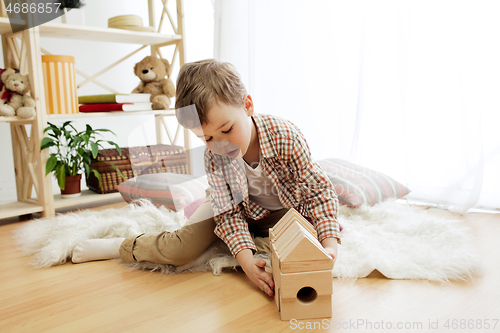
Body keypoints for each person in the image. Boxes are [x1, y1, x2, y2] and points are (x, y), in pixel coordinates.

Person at [72, 59, 341, 297]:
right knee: (181, 250)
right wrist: (248, 264)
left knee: (308, 239)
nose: (220, 144)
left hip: (278, 209)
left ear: (247, 106)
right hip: (229, 207)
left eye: (227, 129)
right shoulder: (214, 156)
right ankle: (122, 245)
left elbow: (317, 193)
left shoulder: (285, 136)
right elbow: (228, 214)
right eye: (207, 138)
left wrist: (329, 246)